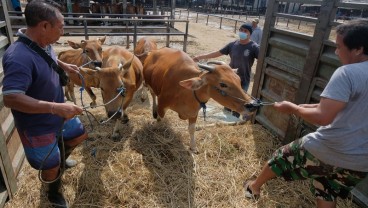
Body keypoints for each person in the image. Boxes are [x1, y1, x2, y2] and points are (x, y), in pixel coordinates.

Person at [243, 19, 368, 208]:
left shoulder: (348, 73)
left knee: (280, 157)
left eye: (339, 47)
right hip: (360, 162)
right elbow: (340, 107)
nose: (336, 52)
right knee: (326, 187)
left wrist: (293, 109)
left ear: (358, 49)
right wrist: (300, 105)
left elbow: (323, 117)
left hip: (331, 147)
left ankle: (254, 187)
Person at [2, 0, 88, 207]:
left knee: (79, 134)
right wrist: (55, 107)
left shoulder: (43, 43)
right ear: (44, 26)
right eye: (61, 26)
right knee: (49, 166)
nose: (63, 31)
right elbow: (11, 98)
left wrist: (63, 64)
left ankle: (60, 162)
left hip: (57, 112)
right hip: (37, 124)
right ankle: (53, 192)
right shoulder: (18, 57)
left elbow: (47, 56)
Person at [193, 23, 259, 118]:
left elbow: (262, 60)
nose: (242, 32)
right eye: (241, 30)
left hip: (243, 79)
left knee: (241, 102)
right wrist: (199, 57)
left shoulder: (253, 47)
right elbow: (217, 53)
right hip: (229, 78)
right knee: (227, 100)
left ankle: (236, 119)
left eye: (245, 31)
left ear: (250, 34)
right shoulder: (233, 45)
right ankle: (228, 117)